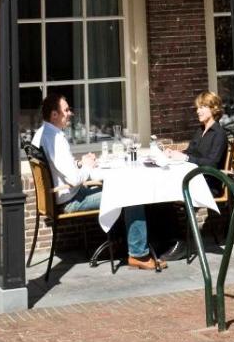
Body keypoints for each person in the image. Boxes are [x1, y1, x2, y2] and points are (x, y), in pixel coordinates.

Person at [32, 93, 163, 271]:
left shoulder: (42, 134)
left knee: (115, 187)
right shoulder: (55, 139)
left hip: (64, 195)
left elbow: (60, 168)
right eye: (66, 110)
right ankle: (138, 254)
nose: (70, 113)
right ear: (54, 115)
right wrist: (87, 167)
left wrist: (80, 163)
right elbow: (74, 179)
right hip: (71, 200)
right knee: (131, 194)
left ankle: (118, 243)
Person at [160, 90, 229, 259]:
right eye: (197, 108)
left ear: (213, 109)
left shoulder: (219, 134)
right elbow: (191, 152)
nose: (198, 111)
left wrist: (186, 158)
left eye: (202, 107)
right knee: (160, 195)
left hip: (209, 184)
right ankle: (167, 241)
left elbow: (212, 163)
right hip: (194, 180)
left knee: (166, 195)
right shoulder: (200, 131)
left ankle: (180, 244)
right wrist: (174, 154)